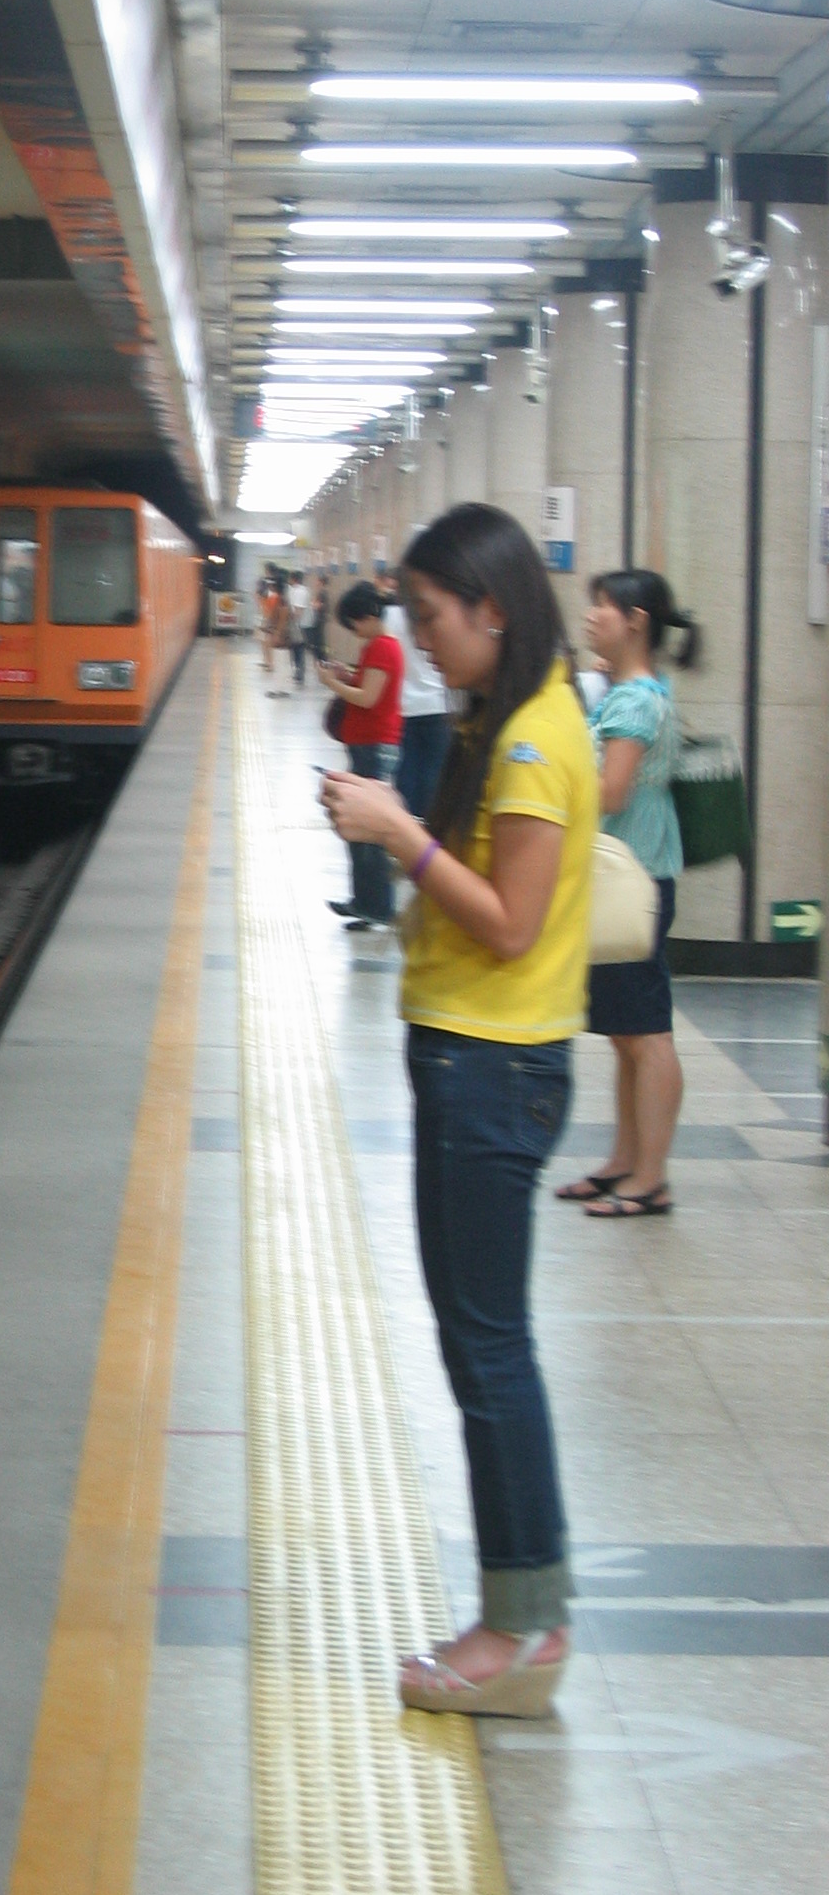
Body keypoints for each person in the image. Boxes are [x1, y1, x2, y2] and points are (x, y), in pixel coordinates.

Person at [320, 503, 596, 1717]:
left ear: (492, 606)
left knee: (489, 1347)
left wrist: (397, 834)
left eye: (432, 618)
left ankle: (523, 1626)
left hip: (494, 1065)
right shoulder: (511, 714)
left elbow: (512, 922)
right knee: (479, 1340)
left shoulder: (532, 739)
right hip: (474, 1057)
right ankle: (524, 1612)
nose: (421, 641)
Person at [556, 570, 695, 1220]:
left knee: (646, 1034)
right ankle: (625, 1161)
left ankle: (651, 1178)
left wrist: (554, 774)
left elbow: (611, 791)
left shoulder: (634, 701)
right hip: (631, 876)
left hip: (632, 883)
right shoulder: (634, 691)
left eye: (602, 608)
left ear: (635, 621)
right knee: (626, 1033)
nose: (590, 618)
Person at [316, 580, 404, 931]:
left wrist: (332, 684)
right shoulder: (377, 646)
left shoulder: (383, 647)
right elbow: (369, 686)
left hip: (374, 748)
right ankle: (364, 902)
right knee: (359, 828)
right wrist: (348, 675)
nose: (353, 631)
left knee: (369, 832)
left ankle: (377, 907)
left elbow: (368, 698)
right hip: (366, 745)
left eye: (353, 623)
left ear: (367, 616)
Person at [384, 578, 453, 819]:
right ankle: (429, 825)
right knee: (435, 772)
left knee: (406, 771)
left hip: (404, 705)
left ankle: (406, 823)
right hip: (438, 704)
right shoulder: (439, 614)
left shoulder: (389, 616)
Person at [287, 571, 311, 685]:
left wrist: (293, 622)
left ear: (294, 579)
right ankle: (298, 671)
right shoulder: (300, 590)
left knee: (298, 648)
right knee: (296, 648)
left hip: (299, 624)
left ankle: (299, 672)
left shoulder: (299, 591)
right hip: (300, 623)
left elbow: (298, 610)